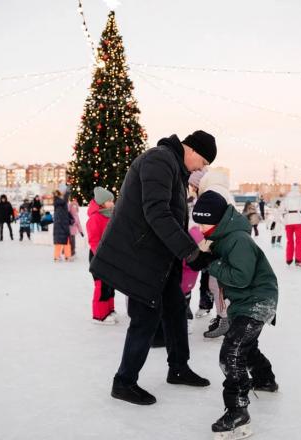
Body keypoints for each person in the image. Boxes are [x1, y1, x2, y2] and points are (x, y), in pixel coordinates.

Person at [90, 130, 216, 405]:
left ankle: (179, 368)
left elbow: (172, 216)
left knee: (175, 309)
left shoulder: (173, 166)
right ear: (192, 150)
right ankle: (123, 382)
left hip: (159, 256)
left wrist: (187, 252)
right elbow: (157, 212)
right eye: (203, 161)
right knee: (146, 316)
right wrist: (190, 253)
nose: (202, 168)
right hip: (140, 255)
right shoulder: (159, 160)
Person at [191, 191, 279, 439]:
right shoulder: (223, 238)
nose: (200, 227)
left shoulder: (238, 240)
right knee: (245, 346)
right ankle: (265, 379)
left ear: (218, 220)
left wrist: (211, 263)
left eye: (204, 222)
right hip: (247, 302)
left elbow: (241, 277)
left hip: (257, 301)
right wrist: (206, 258)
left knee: (231, 352)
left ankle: (237, 412)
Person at [196, 167, 233, 337]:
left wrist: (201, 244)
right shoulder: (224, 191)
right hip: (227, 243)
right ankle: (223, 317)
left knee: (216, 284)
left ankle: (225, 319)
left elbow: (202, 224)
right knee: (218, 283)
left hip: (218, 244)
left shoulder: (212, 193)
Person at [87, 187, 117, 324]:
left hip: (110, 256)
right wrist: (101, 256)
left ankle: (109, 309)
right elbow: (93, 240)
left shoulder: (110, 215)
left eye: (113, 200)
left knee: (110, 285)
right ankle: (99, 315)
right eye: (109, 201)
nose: (113, 203)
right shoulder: (95, 218)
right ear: (102, 202)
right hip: (98, 257)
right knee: (101, 285)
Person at [279, 183, 301, 267]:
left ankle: (289, 259)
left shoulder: (286, 199)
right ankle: (298, 259)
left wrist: (276, 221)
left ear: (291, 189)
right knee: (299, 241)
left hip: (288, 221)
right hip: (299, 221)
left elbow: (279, 211)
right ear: (298, 189)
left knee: (289, 241)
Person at [53, 189, 72, 262]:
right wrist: (67, 192)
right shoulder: (61, 203)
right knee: (66, 242)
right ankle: (67, 257)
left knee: (59, 242)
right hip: (62, 226)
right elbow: (65, 200)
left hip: (59, 226)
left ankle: (57, 257)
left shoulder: (57, 204)